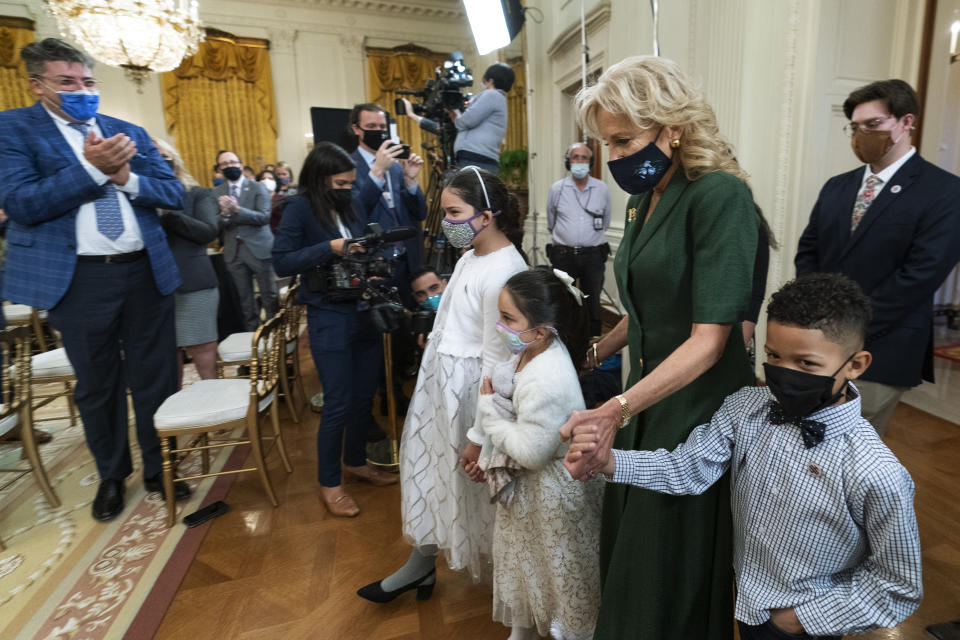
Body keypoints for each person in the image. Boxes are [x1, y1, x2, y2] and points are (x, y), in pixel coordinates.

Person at [567, 273, 923, 640]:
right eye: (774, 356)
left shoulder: (876, 472)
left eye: (806, 364)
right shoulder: (746, 407)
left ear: (856, 364)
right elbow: (688, 468)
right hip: (746, 599)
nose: (785, 373)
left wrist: (799, 620)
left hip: (808, 624)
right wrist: (607, 462)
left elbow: (898, 583)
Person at [560, 56, 773, 639]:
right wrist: (593, 354)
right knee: (631, 551)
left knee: (665, 562)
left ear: (672, 128)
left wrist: (613, 408)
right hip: (646, 397)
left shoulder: (719, 196)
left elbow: (709, 339)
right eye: (607, 143)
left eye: (625, 140)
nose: (615, 157)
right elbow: (647, 310)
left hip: (695, 405)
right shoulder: (641, 199)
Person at [0, 38, 189, 521]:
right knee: (97, 384)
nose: (81, 90)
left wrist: (126, 178)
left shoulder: (126, 130)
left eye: (88, 81)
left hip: (145, 271)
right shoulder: (12, 129)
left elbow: (173, 192)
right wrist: (93, 169)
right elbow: (23, 203)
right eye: (67, 82)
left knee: (157, 378)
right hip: (79, 280)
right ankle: (111, 474)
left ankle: (158, 466)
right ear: (37, 84)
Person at [356, 166, 527, 602]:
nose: (447, 223)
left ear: (487, 215)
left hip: (471, 392)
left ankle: (505, 582)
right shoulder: (471, 253)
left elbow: (499, 358)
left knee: (467, 482)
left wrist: (478, 434)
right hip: (442, 381)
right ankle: (422, 563)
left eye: (455, 212)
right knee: (431, 472)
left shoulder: (505, 269)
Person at [795, 79, 960, 435]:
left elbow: (921, 274)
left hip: (883, 342)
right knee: (806, 440)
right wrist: (816, 315)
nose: (861, 135)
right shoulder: (838, 186)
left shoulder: (945, 191)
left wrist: (848, 327)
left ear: (906, 123)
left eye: (873, 125)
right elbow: (809, 251)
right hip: (819, 338)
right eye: (855, 127)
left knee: (849, 447)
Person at [466, 266, 602, 640]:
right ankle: (522, 631)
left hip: (554, 494)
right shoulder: (530, 351)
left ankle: (569, 632)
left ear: (540, 330)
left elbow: (531, 453)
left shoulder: (549, 376)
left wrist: (489, 413)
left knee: (561, 571)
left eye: (508, 318)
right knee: (526, 563)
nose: (500, 326)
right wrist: (485, 446)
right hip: (532, 494)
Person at [272, 141, 397, 517]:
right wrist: (330, 247)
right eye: (340, 184)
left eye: (349, 183)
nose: (347, 189)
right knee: (338, 402)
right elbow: (282, 261)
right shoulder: (298, 208)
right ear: (321, 179)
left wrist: (365, 254)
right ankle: (330, 483)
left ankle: (355, 461)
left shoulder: (352, 203)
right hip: (329, 315)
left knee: (363, 398)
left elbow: (361, 239)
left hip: (363, 308)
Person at [154, 138, 220, 383]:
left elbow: (208, 232)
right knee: (166, 357)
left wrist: (171, 214)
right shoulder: (135, 196)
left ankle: (215, 414)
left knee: (203, 351)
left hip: (193, 285)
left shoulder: (197, 194)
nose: (158, 161)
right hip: (151, 287)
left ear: (174, 159)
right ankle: (175, 416)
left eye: (163, 156)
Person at [348, 102, 427, 304]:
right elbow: (355, 213)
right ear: (357, 129)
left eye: (382, 127)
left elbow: (419, 213)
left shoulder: (395, 167)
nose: (378, 132)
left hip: (406, 259)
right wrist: (376, 172)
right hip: (375, 263)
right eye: (371, 127)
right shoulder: (348, 166)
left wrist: (410, 181)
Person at [546, 142, 613, 336]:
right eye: (576, 157)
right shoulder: (557, 189)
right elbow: (552, 221)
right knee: (563, 300)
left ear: (590, 162)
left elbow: (606, 220)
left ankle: (593, 346)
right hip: (563, 255)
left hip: (593, 256)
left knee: (592, 303)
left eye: (584, 158)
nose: (580, 162)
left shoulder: (601, 189)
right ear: (569, 162)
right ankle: (565, 341)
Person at [402, 62, 514, 175]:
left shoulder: (491, 94)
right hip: (478, 159)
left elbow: (466, 121)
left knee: (467, 192)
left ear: (490, 80)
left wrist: (456, 113)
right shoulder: (499, 98)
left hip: (476, 159)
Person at [212, 149, 279, 330]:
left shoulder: (258, 187)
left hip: (259, 248)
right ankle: (253, 339)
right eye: (224, 164)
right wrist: (224, 215)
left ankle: (275, 336)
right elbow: (213, 223)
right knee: (244, 299)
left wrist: (236, 210)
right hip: (234, 252)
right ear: (219, 169)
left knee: (269, 295)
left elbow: (263, 217)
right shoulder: (216, 192)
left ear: (240, 165)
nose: (229, 166)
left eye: (232, 162)